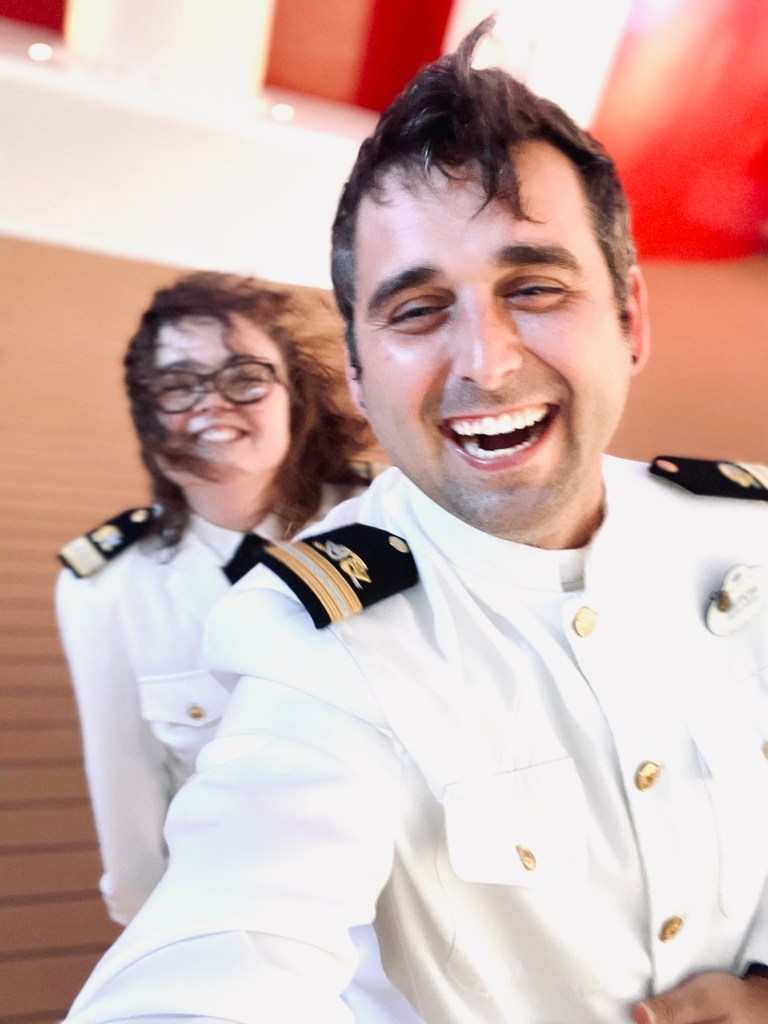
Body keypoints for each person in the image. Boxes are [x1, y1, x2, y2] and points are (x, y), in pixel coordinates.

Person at [63, 19, 768, 1024]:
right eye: (417, 309)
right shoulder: (315, 642)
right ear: (355, 369)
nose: (484, 359)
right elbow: (224, 942)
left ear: (630, 317)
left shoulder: (747, 530)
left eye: (534, 286)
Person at [55, 271, 379, 924]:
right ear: (148, 415)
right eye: (177, 385)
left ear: (295, 396)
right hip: (242, 923)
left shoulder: (384, 525)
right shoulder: (106, 587)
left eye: (244, 376)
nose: (211, 404)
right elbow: (129, 788)